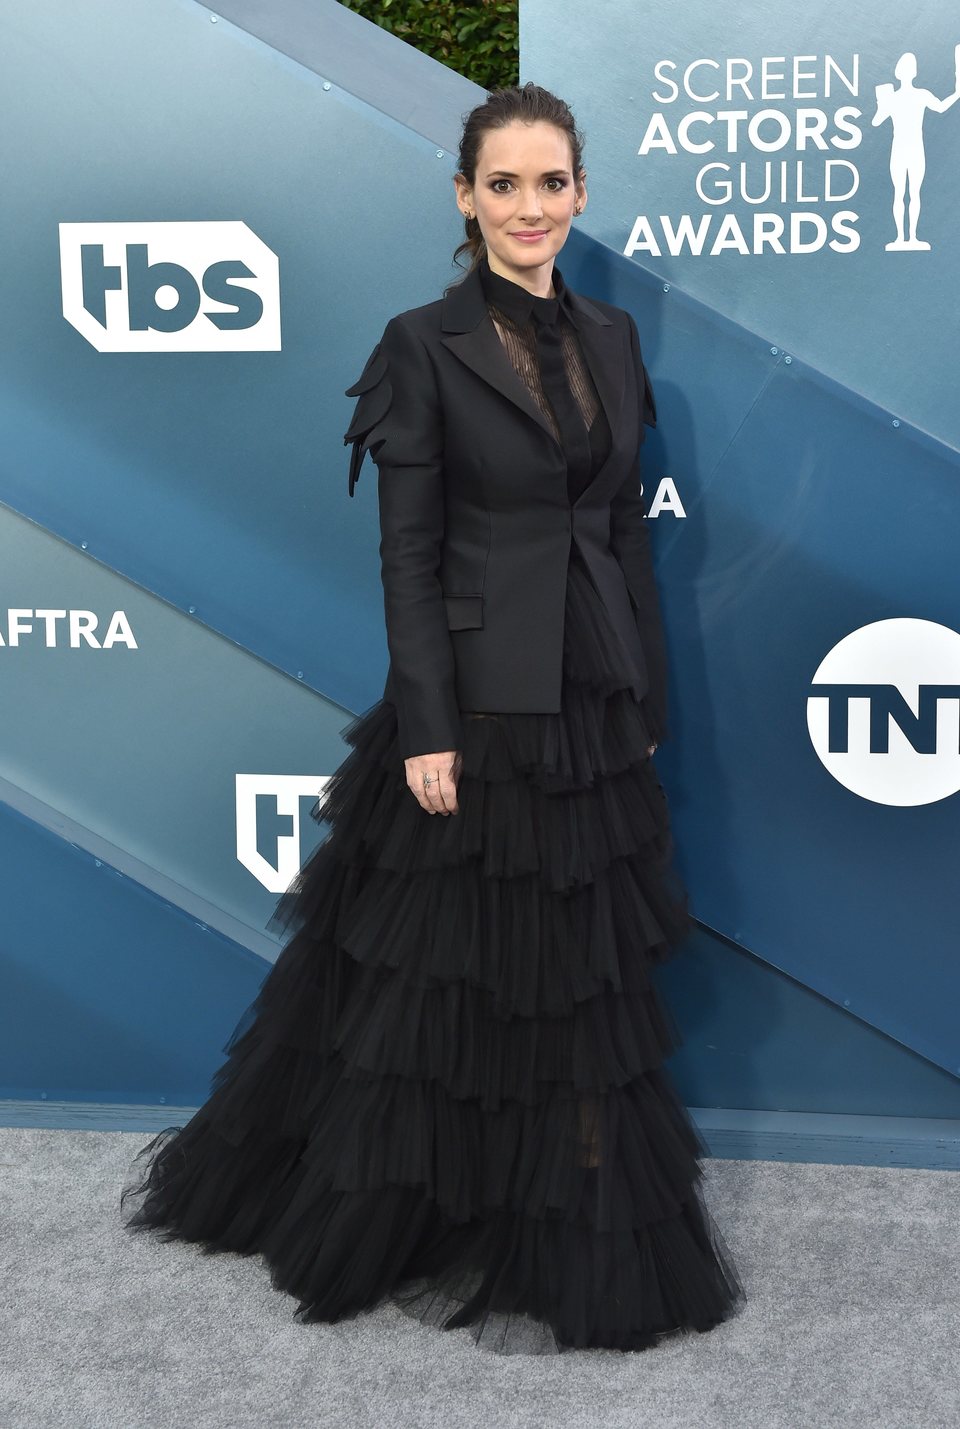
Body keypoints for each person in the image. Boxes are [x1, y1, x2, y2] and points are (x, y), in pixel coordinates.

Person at [121, 82, 746, 1355]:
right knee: (454, 986)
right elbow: (408, 556)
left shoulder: (617, 341)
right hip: (475, 698)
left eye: (552, 182)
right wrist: (428, 727)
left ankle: (565, 1205)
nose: (530, 207)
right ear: (464, 196)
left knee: (578, 971)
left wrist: (647, 698)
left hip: (594, 693)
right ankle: (446, 1205)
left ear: (582, 193)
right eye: (503, 183)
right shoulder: (423, 344)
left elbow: (622, 531)